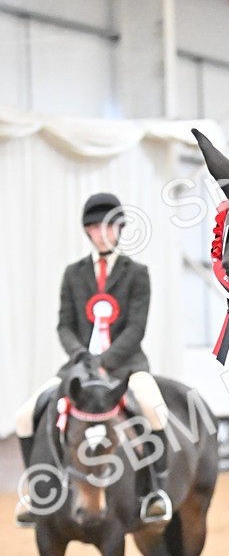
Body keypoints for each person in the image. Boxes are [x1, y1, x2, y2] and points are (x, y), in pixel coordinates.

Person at [14, 191, 171, 526]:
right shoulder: (74, 274)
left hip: (126, 365)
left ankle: (155, 492)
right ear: (88, 231)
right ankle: (35, 489)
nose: (103, 233)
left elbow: (136, 328)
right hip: (79, 367)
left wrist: (106, 360)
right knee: (24, 416)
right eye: (96, 227)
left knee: (155, 409)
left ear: (119, 229)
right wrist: (81, 357)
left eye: (109, 227)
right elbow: (64, 325)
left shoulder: (136, 273)